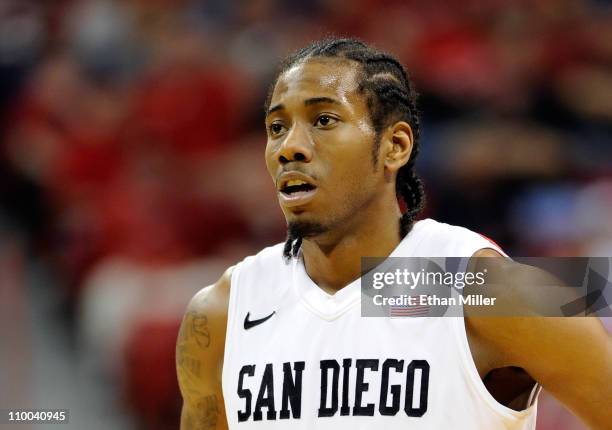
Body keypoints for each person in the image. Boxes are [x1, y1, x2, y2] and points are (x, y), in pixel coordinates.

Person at [176, 38, 612, 429]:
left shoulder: (475, 287)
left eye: (324, 119)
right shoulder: (223, 310)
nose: (289, 145)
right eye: (276, 127)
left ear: (395, 146)